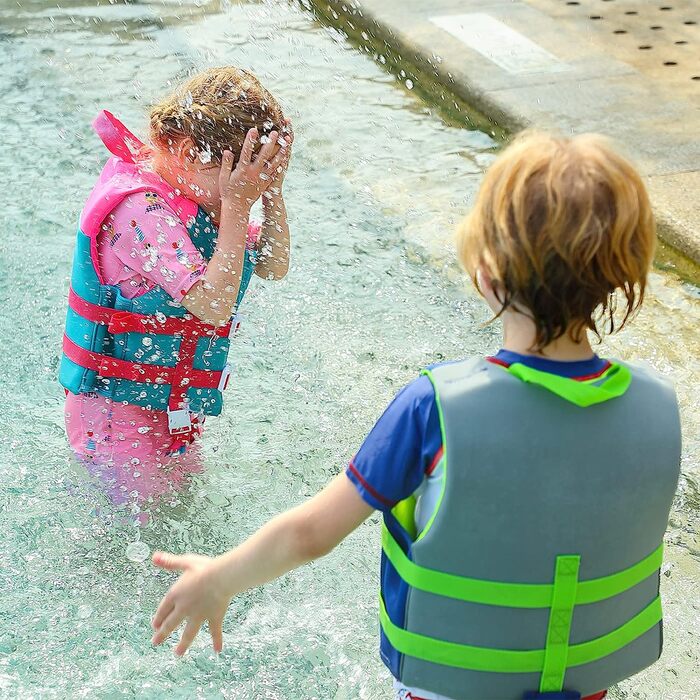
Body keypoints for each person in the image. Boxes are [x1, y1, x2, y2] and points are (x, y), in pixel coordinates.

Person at [149, 132, 681, 700]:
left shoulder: (436, 410)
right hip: (586, 688)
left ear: (485, 271)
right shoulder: (655, 405)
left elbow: (310, 535)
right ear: (624, 272)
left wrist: (219, 578)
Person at [60, 67, 293, 507]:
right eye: (236, 180)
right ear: (187, 151)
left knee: (181, 520)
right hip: (116, 411)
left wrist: (271, 193)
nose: (237, 194)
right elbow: (215, 305)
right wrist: (239, 203)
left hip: (173, 408)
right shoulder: (141, 210)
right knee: (139, 531)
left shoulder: (204, 197)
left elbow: (273, 265)